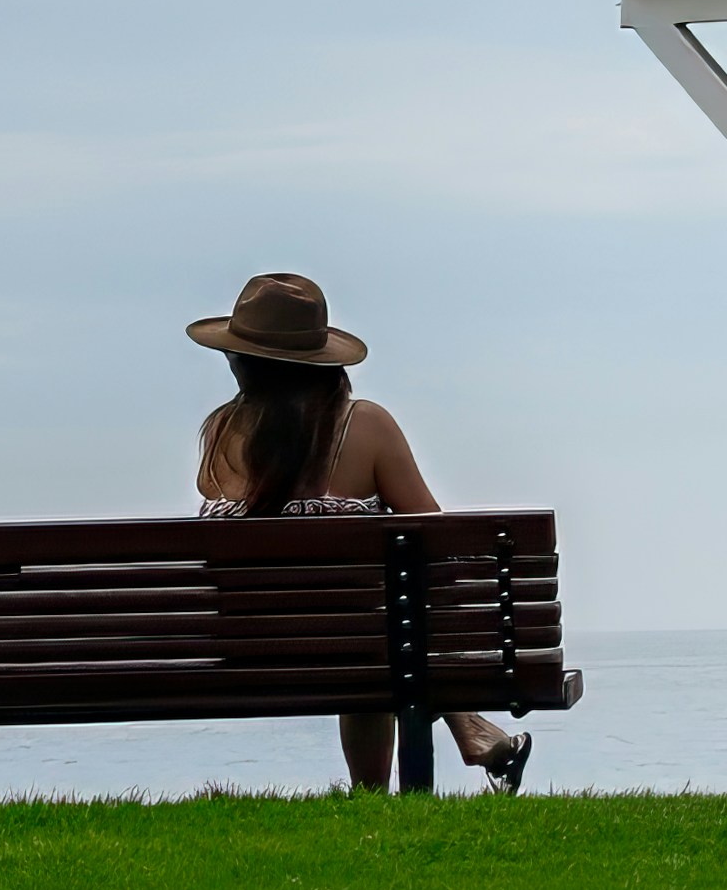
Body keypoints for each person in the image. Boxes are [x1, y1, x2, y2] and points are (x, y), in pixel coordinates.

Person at [188, 271, 533, 794]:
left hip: (246, 647)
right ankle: (457, 733)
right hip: (360, 648)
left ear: (241, 361)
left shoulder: (219, 433)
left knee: (376, 626)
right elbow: (435, 539)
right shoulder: (364, 426)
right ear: (322, 361)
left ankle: (446, 741)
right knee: (389, 621)